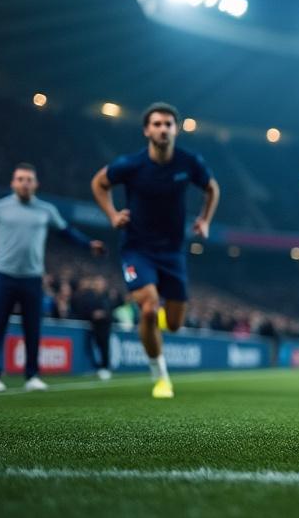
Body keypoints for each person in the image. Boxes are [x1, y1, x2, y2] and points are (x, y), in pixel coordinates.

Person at [0, 163, 104, 392]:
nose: (24, 183)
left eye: (29, 180)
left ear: (36, 184)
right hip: (3, 276)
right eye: (20, 179)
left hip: (32, 278)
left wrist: (88, 244)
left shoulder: (46, 210)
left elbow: (66, 232)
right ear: (13, 183)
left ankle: (32, 375)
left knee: (33, 329)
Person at [90, 102, 220, 399]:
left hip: (173, 252)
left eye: (168, 124)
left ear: (176, 130)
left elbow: (212, 189)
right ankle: (160, 376)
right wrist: (112, 215)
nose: (163, 129)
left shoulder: (189, 162)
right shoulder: (131, 164)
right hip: (137, 248)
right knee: (148, 309)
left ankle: (158, 324)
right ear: (147, 130)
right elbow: (98, 183)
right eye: (157, 124)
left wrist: (205, 220)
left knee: (173, 324)